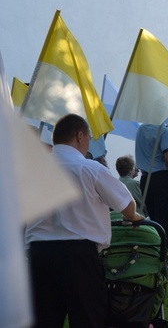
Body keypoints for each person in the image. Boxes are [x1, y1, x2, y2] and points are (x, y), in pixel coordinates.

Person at [26, 114, 144, 328]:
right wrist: (134, 217)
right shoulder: (91, 168)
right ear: (80, 136)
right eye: (89, 137)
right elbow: (127, 205)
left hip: (39, 253)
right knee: (87, 319)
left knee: (43, 320)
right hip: (78, 255)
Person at [135, 123, 168, 245]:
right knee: (162, 215)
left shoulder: (140, 129)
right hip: (162, 176)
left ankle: (152, 243)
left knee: (152, 215)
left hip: (145, 177)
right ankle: (162, 245)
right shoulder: (163, 131)